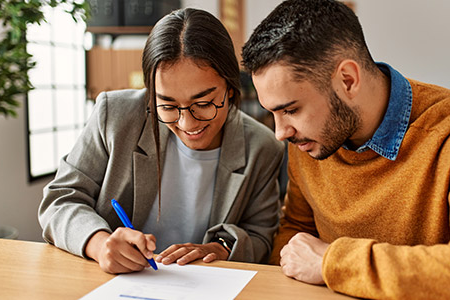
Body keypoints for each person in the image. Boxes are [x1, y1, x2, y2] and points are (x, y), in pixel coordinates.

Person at [241, 0, 450, 299]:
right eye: (273, 113)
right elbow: (296, 232)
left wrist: (333, 262)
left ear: (347, 80)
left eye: (290, 109)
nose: (280, 133)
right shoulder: (308, 139)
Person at [38, 8, 284, 274]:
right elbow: (60, 200)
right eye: (167, 105)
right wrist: (99, 244)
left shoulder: (262, 146)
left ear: (231, 86)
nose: (187, 124)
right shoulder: (115, 116)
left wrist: (221, 246)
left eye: (203, 103)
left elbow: (261, 236)